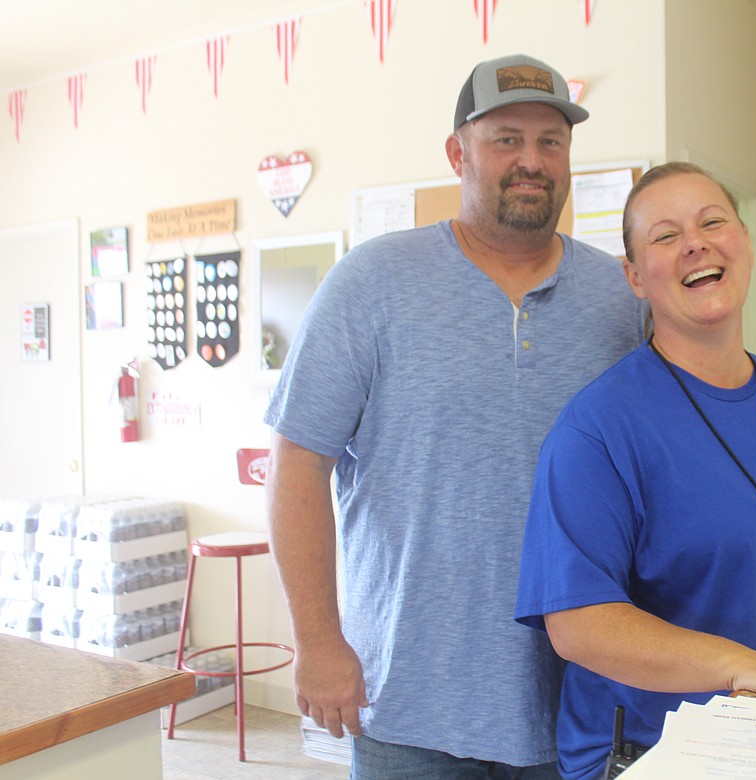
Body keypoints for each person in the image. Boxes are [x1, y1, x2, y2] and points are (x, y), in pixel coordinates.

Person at [263, 53, 646, 779]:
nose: (531, 161)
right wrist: (318, 640)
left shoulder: (620, 302)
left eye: (551, 141)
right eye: (506, 138)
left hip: (579, 702)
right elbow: (297, 463)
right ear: (458, 152)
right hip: (406, 702)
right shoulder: (371, 284)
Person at [515, 162, 756, 780]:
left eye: (712, 221)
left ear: (744, 241)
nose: (695, 242)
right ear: (635, 277)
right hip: (661, 756)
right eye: (665, 236)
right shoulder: (599, 428)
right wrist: (749, 667)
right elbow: (579, 625)